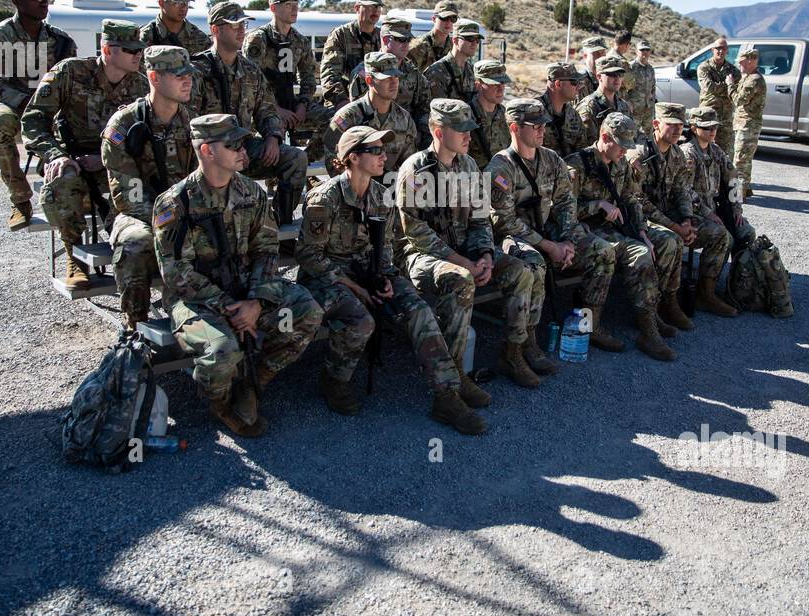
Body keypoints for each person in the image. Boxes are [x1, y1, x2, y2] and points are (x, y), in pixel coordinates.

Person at [152, 114, 323, 438]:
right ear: (207, 151)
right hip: (197, 299)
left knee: (306, 311)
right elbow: (176, 272)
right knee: (220, 351)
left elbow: (267, 251)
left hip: (247, 289)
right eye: (232, 145)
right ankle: (222, 402)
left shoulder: (252, 194)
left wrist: (257, 302)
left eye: (242, 143)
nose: (242, 151)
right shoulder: (175, 203)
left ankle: (254, 380)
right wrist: (230, 306)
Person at [297, 126, 477, 433]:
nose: (384, 156)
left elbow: (387, 250)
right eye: (375, 151)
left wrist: (387, 279)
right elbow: (309, 255)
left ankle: (446, 393)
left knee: (420, 311)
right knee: (361, 317)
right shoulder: (324, 198)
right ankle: (335, 379)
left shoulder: (382, 197)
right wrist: (354, 285)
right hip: (329, 278)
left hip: (370, 273)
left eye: (384, 150)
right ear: (353, 158)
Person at [397, 99, 544, 400]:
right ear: (438, 133)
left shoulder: (468, 166)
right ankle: (454, 377)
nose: (468, 136)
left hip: (465, 251)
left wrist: (486, 256)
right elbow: (416, 233)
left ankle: (513, 351)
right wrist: (464, 262)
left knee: (520, 270)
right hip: (422, 256)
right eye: (460, 130)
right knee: (460, 279)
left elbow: (480, 219)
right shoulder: (415, 171)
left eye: (470, 129)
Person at [486, 97, 624, 353]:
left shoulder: (552, 160)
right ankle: (523, 346)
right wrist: (551, 247)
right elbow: (502, 221)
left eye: (544, 125)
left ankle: (588, 325)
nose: (542, 130)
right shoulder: (500, 169)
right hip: (513, 237)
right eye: (535, 126)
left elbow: (565, 205)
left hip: (550, 232)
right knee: (534, 264)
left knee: (602, 251)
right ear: (515, 127)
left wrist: (569, 240)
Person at [21, 19, 148, 288]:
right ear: (108, 50)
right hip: (74, 161)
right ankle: (74, 257)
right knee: (60, 182)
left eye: (139, 50)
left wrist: (104, 160)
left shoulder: (140, 85)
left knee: (139, 197)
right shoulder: (70, 72)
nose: (138, 55)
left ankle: (129, 257)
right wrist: (55, 155)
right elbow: (33, 120)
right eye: (131, 50)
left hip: (116, 163)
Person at [566, 113, 678, 359]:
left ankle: (649, 324)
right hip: (581, 230)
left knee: (652, 247)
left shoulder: (620, 164)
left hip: (613, 229)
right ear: (605, 137)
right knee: (615, 252)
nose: (626, 152)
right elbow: (563, 210)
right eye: (622, 145)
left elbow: (631, 200)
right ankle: (592, 325)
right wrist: (597, 206)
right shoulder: (577, 165)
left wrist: (641, 232)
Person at [101, 45, 198, 328]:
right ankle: (136, 323)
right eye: (178, 75)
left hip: (184, 210)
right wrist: (168, 221)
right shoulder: (124, 123)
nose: (187, 80)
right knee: (135, 242)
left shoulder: (191, 122)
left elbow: (201, 179)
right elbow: (126, 193)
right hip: (137, 214)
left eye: (188, 74)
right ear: (154, 78)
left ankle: (198, 315)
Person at [191, 1, 306, 228]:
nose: (242, 31)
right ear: (216, 30)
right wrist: (218, 152)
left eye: (243, 25)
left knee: (296, 158)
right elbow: (188, 123)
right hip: (206, 155)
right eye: (234, 26)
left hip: (244, 148)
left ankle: (279, 224)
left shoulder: (251, 71)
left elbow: (267, 110)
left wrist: (273, 138)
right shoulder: (198, 71)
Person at [0, 0, 78, 229]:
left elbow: (71, 85)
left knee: (75, 127)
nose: (44, 3)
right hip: (12, 105)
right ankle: (20, 199)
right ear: (17, 1)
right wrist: (28, 103)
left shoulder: (61, 41)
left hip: (51, 107)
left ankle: (64, 203)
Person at [627, 102, 698, 333]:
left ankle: (671, 299)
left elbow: (681, 191)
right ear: (656, 124)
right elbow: (638, 200)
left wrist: (687, 219)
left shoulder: (677, 153)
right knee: (670, 240)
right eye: (672, 125)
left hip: (668, 216)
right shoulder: (640, 154)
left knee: (714, 233)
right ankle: (655, 306)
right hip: (640, 216)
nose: (678, 130)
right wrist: (675, 227)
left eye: (681, 125)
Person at [242, 0, 329, 160]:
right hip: (264, 109)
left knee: (334, 119)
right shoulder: (258, 39)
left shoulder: (300, 41)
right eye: (288, 4)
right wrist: (276, 108)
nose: (295, 8)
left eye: (296, 3)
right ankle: (275, 180)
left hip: (292, 104)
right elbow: (250, 81)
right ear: (273, 7)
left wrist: (303, 105)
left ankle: (307, 159)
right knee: (273, 140)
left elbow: (308, 78)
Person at [680, 106, 743, 318]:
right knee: (721, 236)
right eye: (706, 128)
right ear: (694, 128)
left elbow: (733, 178)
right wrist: (707, 212)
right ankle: (705, 294)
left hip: (713, 209)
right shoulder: (688, 153)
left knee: (745, 232)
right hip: (692, 212)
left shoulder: (716, 151)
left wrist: (736, 209)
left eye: (714, 127)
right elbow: (685, 191)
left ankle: (732, 285)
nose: (712, 131)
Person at [323, 51, 419, 175]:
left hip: (389, 190)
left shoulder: (405, 119)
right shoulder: (348, 116)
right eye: (386, 78)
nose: (394, 82)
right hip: (356, 189)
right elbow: (333, 159)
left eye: (396, 77)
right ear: (369, 80)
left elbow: (408, 165)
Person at [350, 14, 432, 146]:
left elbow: (424, 108)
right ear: (385, 39)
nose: (406, 44)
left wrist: (418, 135)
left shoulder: (413, 73)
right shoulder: (365, 72)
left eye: (408, 40)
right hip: (372, 142)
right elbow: (357, 112)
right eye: (401, 39)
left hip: (404, 142)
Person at [320, 0, 383, 108]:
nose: (375, 10)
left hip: (374, 103)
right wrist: (342, 102)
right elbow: (330, 73)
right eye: (370, 6)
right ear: (357, 8)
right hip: (342, 101)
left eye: (378, 7)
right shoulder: (340, 35)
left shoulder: (382, 37)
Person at [696, 36, 740, 162]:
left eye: (723, 48)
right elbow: (708, 87)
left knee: (725, 150)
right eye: (718, 48)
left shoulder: (733, 70)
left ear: (727, 51)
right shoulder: (704, 67)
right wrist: (728, 84)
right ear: (713, 50)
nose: (720, 51)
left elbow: (736, 90)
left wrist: (724, 86)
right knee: (704, 147)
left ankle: (723, 178)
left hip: (726, 116)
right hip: (708, 115)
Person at [138, 0, 210, 54]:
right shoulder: (144, 36)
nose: (184, 8)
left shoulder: (200, 38)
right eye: (178, 3)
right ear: (162, 3)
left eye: (186, 3)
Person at [731, 49, 766, 198]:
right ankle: (746, 188)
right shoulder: (748, 77)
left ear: (751, 61)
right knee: (744, 158)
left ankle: (737, 195)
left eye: (741, 62)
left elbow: (738, 100)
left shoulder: (754, 80)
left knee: (740, 160)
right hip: (742, 123)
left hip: (748, 125)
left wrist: (730, 85)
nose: (739, 65)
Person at [575, 54, 633, 143]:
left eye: (620, 74)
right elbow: (585, 144)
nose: (617, 78)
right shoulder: (588, 106)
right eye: (612, 74)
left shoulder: (623, 105)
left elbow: (631, 136)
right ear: (599, 77)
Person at [467, 58, 511, 169]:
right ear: (478, 84)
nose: (501, 89)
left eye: (502, 82)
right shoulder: (465, 117)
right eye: (494, 83)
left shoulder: (507, 115)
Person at [539, 61, 587, 158]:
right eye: (574, 82)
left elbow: (581, 151)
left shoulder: (573, 115)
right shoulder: (533, 113)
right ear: (558, 84)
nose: (578, 87)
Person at [425, 19, 480, 101]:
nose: (474, 43)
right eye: (470, 38)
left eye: (477, 39)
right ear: (455, 40)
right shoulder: (437, 72)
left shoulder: (471, 71)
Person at [408, 0, 459, 74]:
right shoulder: (419, 46)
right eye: (444, 18)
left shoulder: (454, 47)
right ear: (434, 19)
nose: (449, 22)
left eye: (453, 18)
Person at [624, 40, 658, 135]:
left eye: (647, 50)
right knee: (632, 135)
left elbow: (653, 87)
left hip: (648, 109)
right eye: (642, 50)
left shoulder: (650, 69)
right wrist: (628, 102)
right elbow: (623, 88)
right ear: (637, 52)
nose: (645, 52)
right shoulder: (630, 67)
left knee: (648, 135)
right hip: (635, 109)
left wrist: (652, 103)